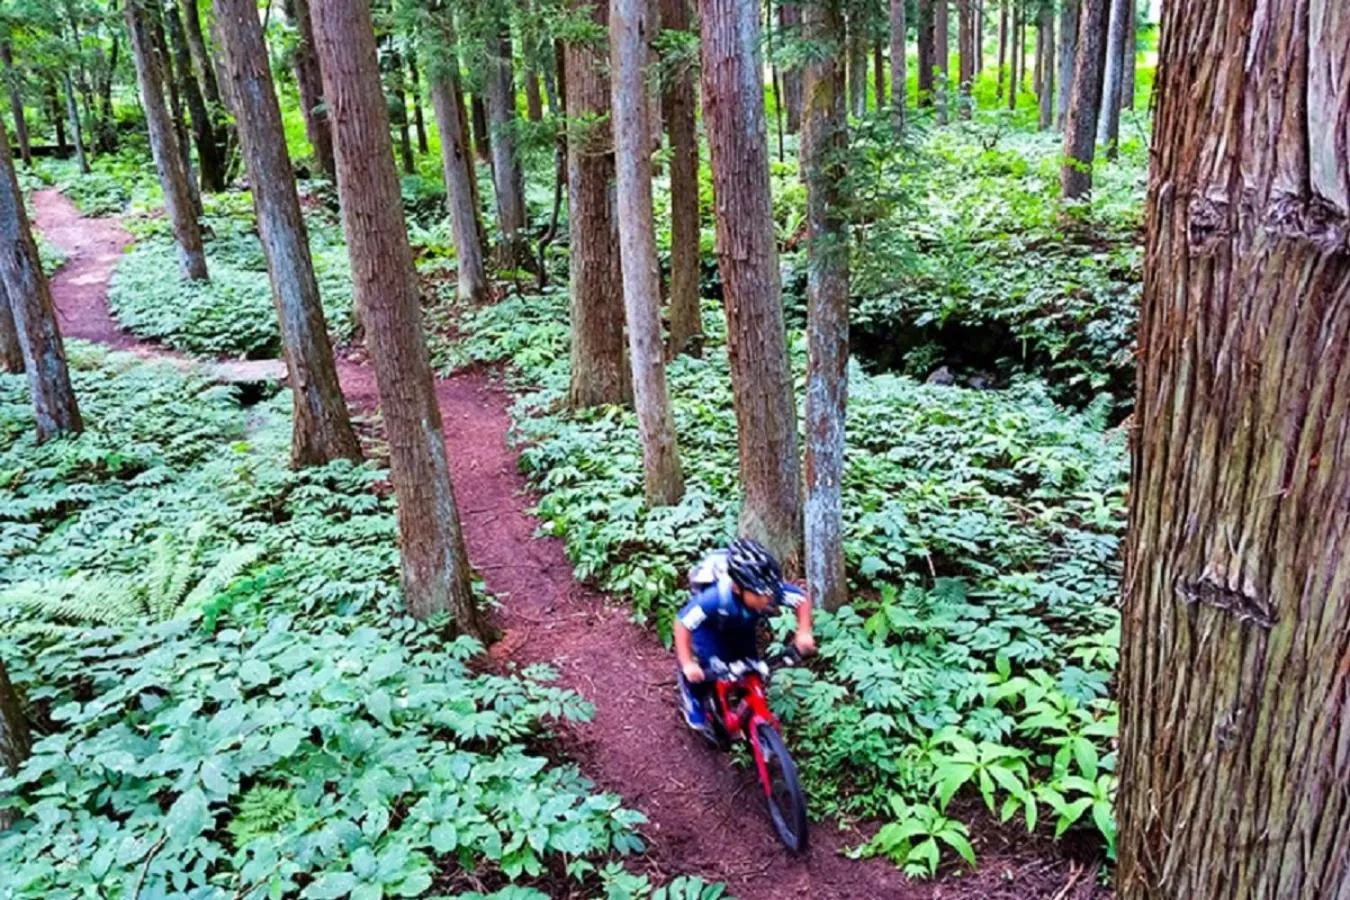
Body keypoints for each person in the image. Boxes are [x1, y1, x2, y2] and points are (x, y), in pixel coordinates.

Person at [674, 538, 816, 738]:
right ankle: (693, 698)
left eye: (770, 591)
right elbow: (683, 623)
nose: (767, 598)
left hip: (742, 627)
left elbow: (801, 599)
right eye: (760, 594)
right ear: (737, 589)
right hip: (710, 629)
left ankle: (752, 717)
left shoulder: (768, 591)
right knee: (713, 667)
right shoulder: (716, 598)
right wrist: (688, 663)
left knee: (751, 669)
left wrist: (804, 632)